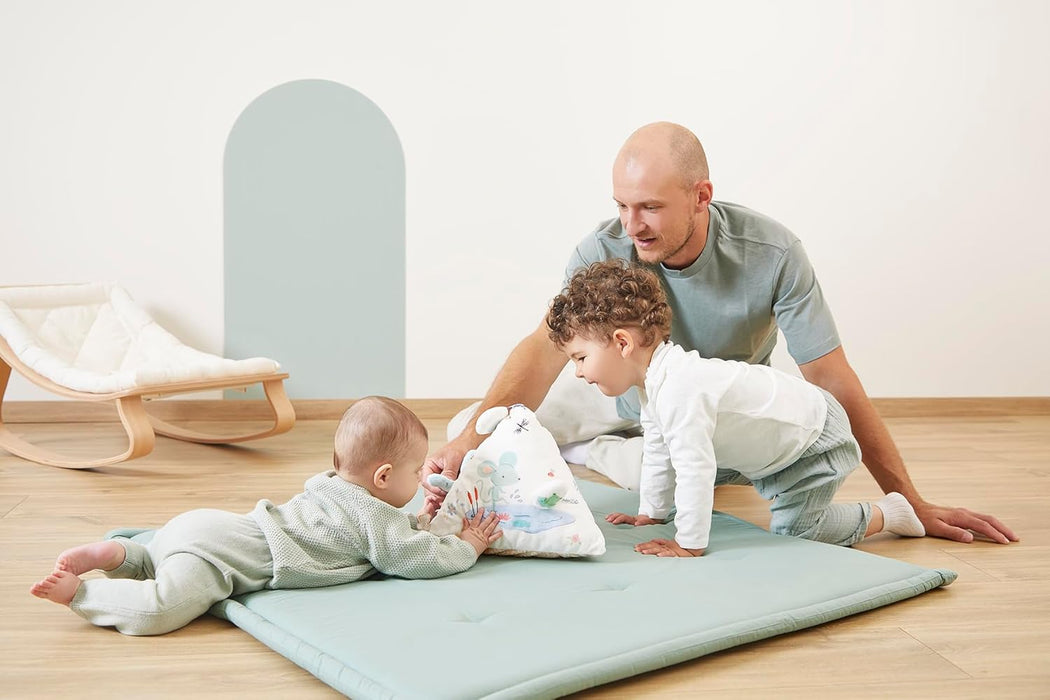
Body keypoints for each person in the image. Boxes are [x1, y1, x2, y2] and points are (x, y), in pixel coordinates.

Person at [424, 121, 1017, 546]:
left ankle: (590, 451)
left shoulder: (773, 253)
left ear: (701, 196)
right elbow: (545, 350)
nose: (632, 225)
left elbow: (832, 378)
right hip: (619, 387)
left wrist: (910, 501)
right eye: (622, 206)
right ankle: (586, 443)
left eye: (649, 207)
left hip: (703, 411)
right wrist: (467, 446)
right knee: (473, 424)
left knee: (670, 472)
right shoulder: (603, 246)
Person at [30, 396, 503, 636]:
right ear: (382, 476)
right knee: (161, 608)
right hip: (220, 559)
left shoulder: (333, 487)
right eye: (415, 472)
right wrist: (467, 546)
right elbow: (414, 557)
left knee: (159, 557)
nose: (421, 479)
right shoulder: (374, 520)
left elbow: (392, 533)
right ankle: (83, 592)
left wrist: (421, 518)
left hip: (207, 525)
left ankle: (123, 554)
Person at [547, 259, 926, 556]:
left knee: (796, 531)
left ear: (622, 343)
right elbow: (659, 451)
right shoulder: (655, 384)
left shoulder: (680, 387)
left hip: (815, 441)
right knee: (667, 453)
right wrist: (652, 513)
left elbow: (694, 469)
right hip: (779, 447)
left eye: (580, 358)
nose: (578, 372)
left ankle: (890, 513)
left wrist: (689, 543)